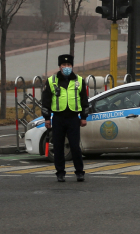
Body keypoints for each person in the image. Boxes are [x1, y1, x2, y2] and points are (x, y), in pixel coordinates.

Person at [41, 54, 88, 182]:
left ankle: (79, 172)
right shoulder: (52, 81)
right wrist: (47, 118)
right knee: (58, 146)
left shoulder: (79, 80)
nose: (66, 67)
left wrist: (84, 117)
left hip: (73, 118)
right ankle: (60, 172)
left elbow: (84, 100)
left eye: (68, 65)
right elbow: (46, 101)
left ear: (72, 66)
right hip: (58, 118)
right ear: (60, 66)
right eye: (64, 65)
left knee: (75, 146)